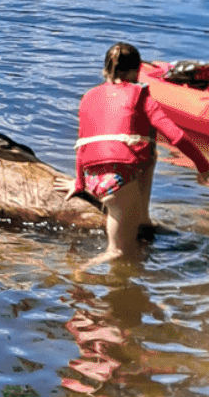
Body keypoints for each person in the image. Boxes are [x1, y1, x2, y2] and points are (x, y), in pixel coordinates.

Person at [58, 42, 209, 263]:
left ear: (105, 70)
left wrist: (79, 184)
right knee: (117, 253)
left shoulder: (89, 97)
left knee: (148, 148)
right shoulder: (142, 97)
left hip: (92, 179)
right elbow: (176, 137)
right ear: (138, 71)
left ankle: (142, 220)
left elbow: (83, 145)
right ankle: (78, 275)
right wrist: (203, 167)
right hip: (119, 185)